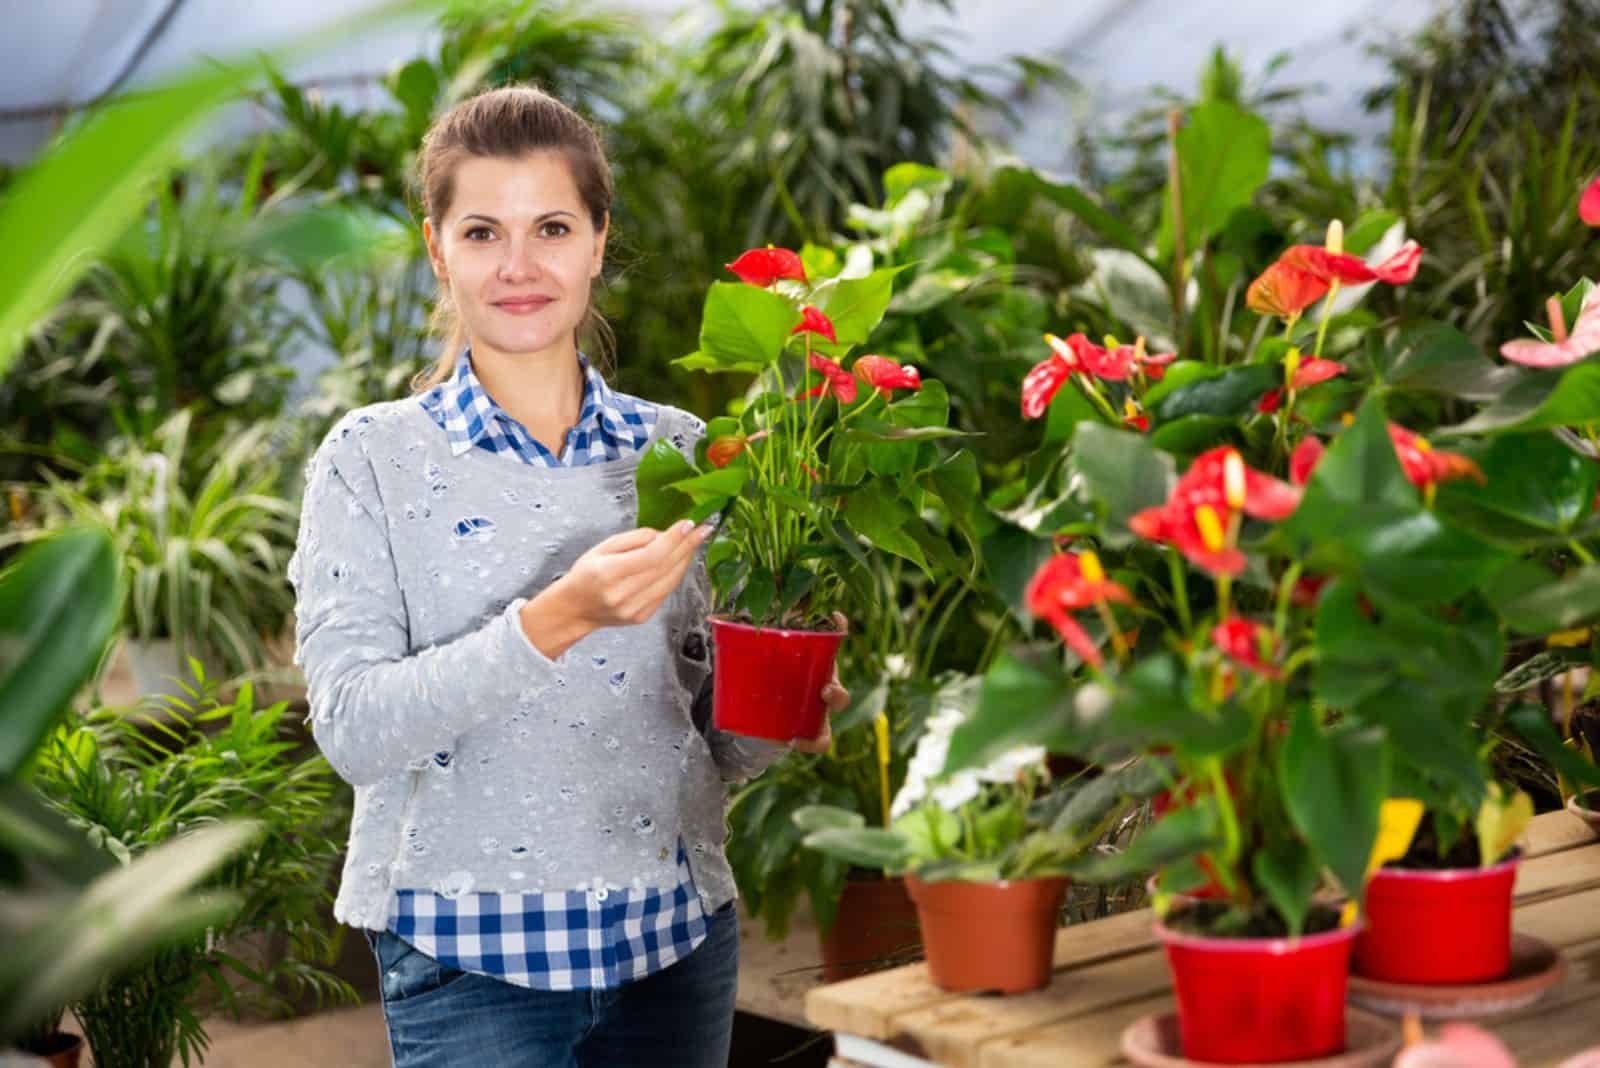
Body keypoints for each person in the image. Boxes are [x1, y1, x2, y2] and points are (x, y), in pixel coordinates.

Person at [287, 84, 848, 1068]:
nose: (518, 266)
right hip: (470, 965)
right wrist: (553, 619)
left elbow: (712, 745)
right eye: (481, 232)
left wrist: (783, 702)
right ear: (436, 250)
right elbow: (353, 730)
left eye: (551, 226)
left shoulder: (679, 451)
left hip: (672, 945)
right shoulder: (370, 458)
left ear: (596, 242)